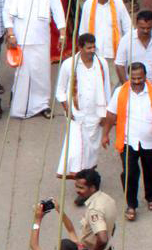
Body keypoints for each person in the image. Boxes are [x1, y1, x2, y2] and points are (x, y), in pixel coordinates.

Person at [101, 62, 152, 222]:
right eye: (134, 78)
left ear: (145, 77)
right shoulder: (120, 92)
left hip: (151, 141)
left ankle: (151, 196)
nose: (137, 82)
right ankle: (131, 204)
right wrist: (105, 134)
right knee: (130, 173)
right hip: (128, 141)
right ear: (129, 77)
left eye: (140, 78)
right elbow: (111, 114)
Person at [55, 34, 112, 179]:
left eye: (94, 47)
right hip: (76, 115)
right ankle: (80, 181)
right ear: (80, 48)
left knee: (91, 150)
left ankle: (88, 181)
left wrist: (106, 113)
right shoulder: (69, 64)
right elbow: (60, 90)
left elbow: (106, 89)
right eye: (89, 47)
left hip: (96, 114)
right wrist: (67, 108)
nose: (92, 50)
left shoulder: (101, 63)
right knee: (76, 150)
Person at [3, 0, 66, 119]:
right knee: (23, 73)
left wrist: (62, 33)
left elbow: (57, 8)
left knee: (41, 73)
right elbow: (7, 10)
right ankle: (20, 106)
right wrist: (10, 34)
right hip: (21, 35)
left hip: (41, 35)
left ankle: (42, 105)